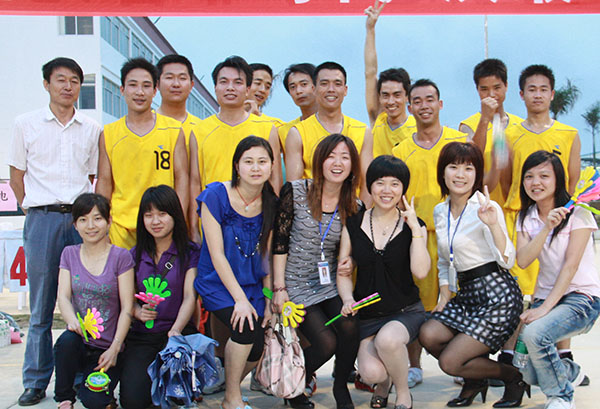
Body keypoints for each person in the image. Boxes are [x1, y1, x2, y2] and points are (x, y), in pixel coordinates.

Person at [8, 57, 102, 406]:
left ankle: (79, 377)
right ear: (46, 84)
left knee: (84, 302)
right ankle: (35, 381)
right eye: (61, 80)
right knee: (41, 306)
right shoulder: (26, 124)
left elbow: (91, 176)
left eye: (75, 80)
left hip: (80, 221)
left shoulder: (91, 128)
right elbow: (16, 176)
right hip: (42, 218)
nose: (68, 86)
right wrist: (31, 208)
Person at [419, 142, 526, 408]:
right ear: (442, 172)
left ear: (477, 174)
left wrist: (493, 225)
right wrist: (445, 295)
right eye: (453, 167)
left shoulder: (486, 207)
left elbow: (508, 260)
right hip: (467, 294)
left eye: (468, 168)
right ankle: (476, 380)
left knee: (450, 362)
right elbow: (444, 259)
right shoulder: (440, 211)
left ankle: (514, 378)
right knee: (429, 334)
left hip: (497, 295)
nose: (460, 174)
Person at [273, 134, 361, 409]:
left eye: (345, 157)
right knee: (325, 343)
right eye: (331, 156)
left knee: (350, 325)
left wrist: (351, 261)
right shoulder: (296, 191)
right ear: (320, 161)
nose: (337, 163)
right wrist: (279, 288)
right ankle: (292, 386)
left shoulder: (353, 205)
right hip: (295, 283)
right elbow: (279, 243)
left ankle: (340, 387)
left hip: (329, 283)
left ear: (353, 166)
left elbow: (352, 250)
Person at [337, 155, 429, 409]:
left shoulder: (414, 225)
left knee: (387, 341)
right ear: (370, 187)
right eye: (380, 183)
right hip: (367, 315)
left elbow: (421, 271)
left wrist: (415, 230)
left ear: (403, 189)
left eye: (395, 184)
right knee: (370, 374)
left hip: (404, 311)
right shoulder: (353, 223)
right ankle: (384, 382)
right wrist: (347, 299)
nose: (387, 190)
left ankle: (403, 394)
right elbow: (343, 271)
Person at [392, 79, 467, 387]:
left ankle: (462, 362)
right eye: (418, 101)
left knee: (460, 300)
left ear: (440, 104)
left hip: (455, 235)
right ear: (410, 107)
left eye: (430, 99)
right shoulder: (401, 149)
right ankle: (414, 365)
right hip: (417, 236)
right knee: (415, 303)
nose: (424, 106)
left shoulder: (457, 142)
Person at [194, 136, 278, 409]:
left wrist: (268, 298)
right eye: (248, 161)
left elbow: (266, 257)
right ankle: (232, 398)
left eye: (262, 162)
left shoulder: (271, 203)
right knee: (245, 328)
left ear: (272, 166)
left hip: (253, 284)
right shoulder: (215, 196)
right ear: (237, 166)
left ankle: (228, 384)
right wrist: (239, 300)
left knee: (257, 345)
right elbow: (216, 254)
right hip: (217, 282)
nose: (256, 168)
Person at [515, 151, 600, 409]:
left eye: (544, 176)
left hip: (581, 298)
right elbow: (523, 260)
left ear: (558, 179)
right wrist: (546, 228)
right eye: (529, 176)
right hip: (546, 297)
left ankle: (561, 396)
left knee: (535, 334)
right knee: (526, 369)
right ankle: (570, 372)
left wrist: (543, 309)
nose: (535, 182)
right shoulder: (525, 216)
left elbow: (570, 267)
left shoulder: (578, 213)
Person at [119, 185, 201, 409]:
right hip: (143, 336)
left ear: (174, 215)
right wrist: (137, 311)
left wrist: (176, 330)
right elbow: (126, 300)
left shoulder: (191, 252)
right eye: (148, 215)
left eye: (162, 214)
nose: (155, 221)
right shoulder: (133, 255)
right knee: (132, 402)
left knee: (176, 398)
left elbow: (189, 297)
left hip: (178, 334)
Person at [96, 57, 189, 250]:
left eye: (146, 86)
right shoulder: (109, 133)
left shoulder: (173, 130)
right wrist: (103, 224)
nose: (139, 92)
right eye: (133, 85)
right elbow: (104, 181)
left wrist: (177, 220)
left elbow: (181, 178)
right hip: (121, 230)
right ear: (122, 89)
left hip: (161, 228)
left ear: (155, 91)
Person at [54, 193, 135, 409]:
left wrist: (115, 348)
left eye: (97, 218)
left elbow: (127, 307)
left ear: (109, 221)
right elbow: (63, 296)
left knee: (94, 401)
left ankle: (100, 393)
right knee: (66, 342)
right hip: (80, 342)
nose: (91, 226)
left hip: (107, 348)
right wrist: (72, 321)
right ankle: (64, 398)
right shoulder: (69, 254)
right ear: (75, 225)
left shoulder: (121, 257)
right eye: (83, 219)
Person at [189, 56, 282, 241]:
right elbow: (194, 182)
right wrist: (193, 227)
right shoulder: (199, 131)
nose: (230, 88)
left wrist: (273, 225)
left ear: (247, 89)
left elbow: (275, 180)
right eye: (224, 82)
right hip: (212, 223)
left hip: (256, 225)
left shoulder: (266, 129)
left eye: (238, 82)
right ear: (215, 87)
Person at [284, 62, 373, 204]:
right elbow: (294, 188)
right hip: (311, 211)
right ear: (314, 89)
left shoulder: (363, 131)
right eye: (324, 84)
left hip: (352, 211)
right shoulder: (297, 133)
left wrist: (361, 215)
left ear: (345, 90)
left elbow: (367, 182)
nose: (331, 89)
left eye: (337, 84)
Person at [458, 58, 522, 206]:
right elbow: (472, 158)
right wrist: (485, 119)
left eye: (497, 88)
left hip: (515, 209)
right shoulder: (468, 126)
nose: (491, 94)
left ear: (506, 86)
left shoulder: (520, 125)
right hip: (482, 207)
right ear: (477, 90)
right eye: (484, 89)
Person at [364, 0, 416, 158]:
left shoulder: (418, 128)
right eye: (385, 95)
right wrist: (370, 29)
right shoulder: (378, 119)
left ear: (407, 96)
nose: (391, 101)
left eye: (397, 95)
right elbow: (370, 72)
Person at [156, 54, 201, 153]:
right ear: (157, 84)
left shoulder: (201, 128)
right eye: (169, 78)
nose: (176, 84)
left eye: (182, 78)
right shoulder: (146, 126)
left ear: (191, 85)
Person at [279, 63, 318, 156]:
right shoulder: (285, 131)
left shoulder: (337, 126)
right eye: (293, 87)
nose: (298, 91)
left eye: (304, 84)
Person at [245, 63, 284, 128]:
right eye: (258, 83)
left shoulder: (276, 125)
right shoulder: (226, 120)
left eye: (267, 87)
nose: (263, 90)